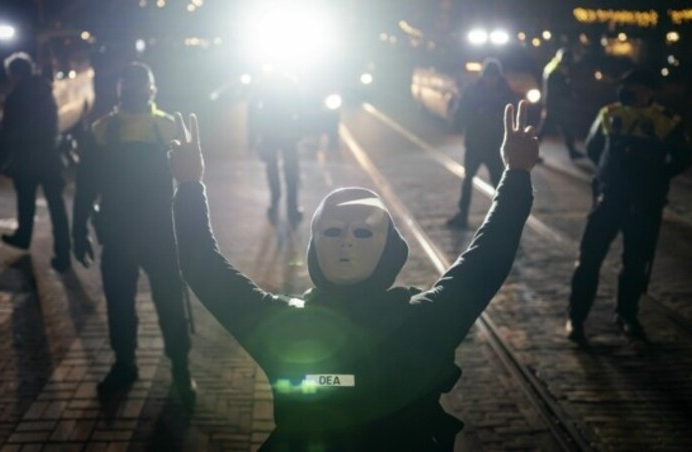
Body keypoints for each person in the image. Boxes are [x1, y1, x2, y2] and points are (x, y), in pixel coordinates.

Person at [168, 100, 539, 450]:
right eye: (333, 232)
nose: (346, 243)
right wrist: (516, 173)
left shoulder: (280, 326)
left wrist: (189, 185)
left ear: (387, 249)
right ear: (315, 246)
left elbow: (202, 265)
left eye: (362, 232)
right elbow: (488, 259)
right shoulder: (427, 319)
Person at [72, 62, 196, 406]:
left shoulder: (169, 126)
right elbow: (85, 186)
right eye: (130, 88)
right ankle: (125, 364)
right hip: (120, 234)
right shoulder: (102, 130)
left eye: (140, 87)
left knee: (170, 304)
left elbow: (190, 184)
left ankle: (181, 368)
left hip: (160, 235)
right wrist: (77, 229)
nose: (135, 93)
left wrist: (192, 229)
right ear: (121, 91)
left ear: (151, 90)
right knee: (120, 305)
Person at [566, 69, 692, 343]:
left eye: (632, 87)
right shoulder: (609, 114)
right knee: (589, 260)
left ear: (649, 92)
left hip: (644, 204)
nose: (625, 92)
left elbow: (683, 157)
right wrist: (609, 177)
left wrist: (656, 178)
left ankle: (627, 315)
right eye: (624, 86)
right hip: (610, 199)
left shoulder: (666, 121)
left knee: (635, 264)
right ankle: (576, 318)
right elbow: (593, 148)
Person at [0, 52, 71, 272]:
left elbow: (8, 130)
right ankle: (63, 252)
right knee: (56, 206)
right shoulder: (45, 91)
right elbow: (53, 123)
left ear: (15, 74)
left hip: (26, 158)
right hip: (49, 156)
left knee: (26, 201)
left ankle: (23, 236)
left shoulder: (15, 97)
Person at [446, 58, 518, 229]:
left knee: (498, 181)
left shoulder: (504, 92)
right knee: (469, 178)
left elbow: (511, 116)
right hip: (476, 143)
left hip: (493, 145)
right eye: (488, 77)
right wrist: (464, 121)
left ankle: (503, 216)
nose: (490, 80)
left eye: (493, 77)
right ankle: (463, 214)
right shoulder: (473, 91)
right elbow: (461, 111)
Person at [251, 71, 304, 225]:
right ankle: (292, 210)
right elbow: (299, 108)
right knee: (291, 171)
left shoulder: (264, 82)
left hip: (269, 132)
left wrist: (254, 136)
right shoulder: (290, 82)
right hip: (288, 132)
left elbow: (254, 108)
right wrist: (299, 130)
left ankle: (274, 204)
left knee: (272, 168)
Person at [538, 48, 582, 160]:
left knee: (565, 128)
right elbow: (557, 90)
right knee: (544, 131)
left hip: (554, 104)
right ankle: (530, 153)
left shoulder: (554, 66)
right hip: (554, 105)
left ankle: (572, 152)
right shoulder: (555, 71)